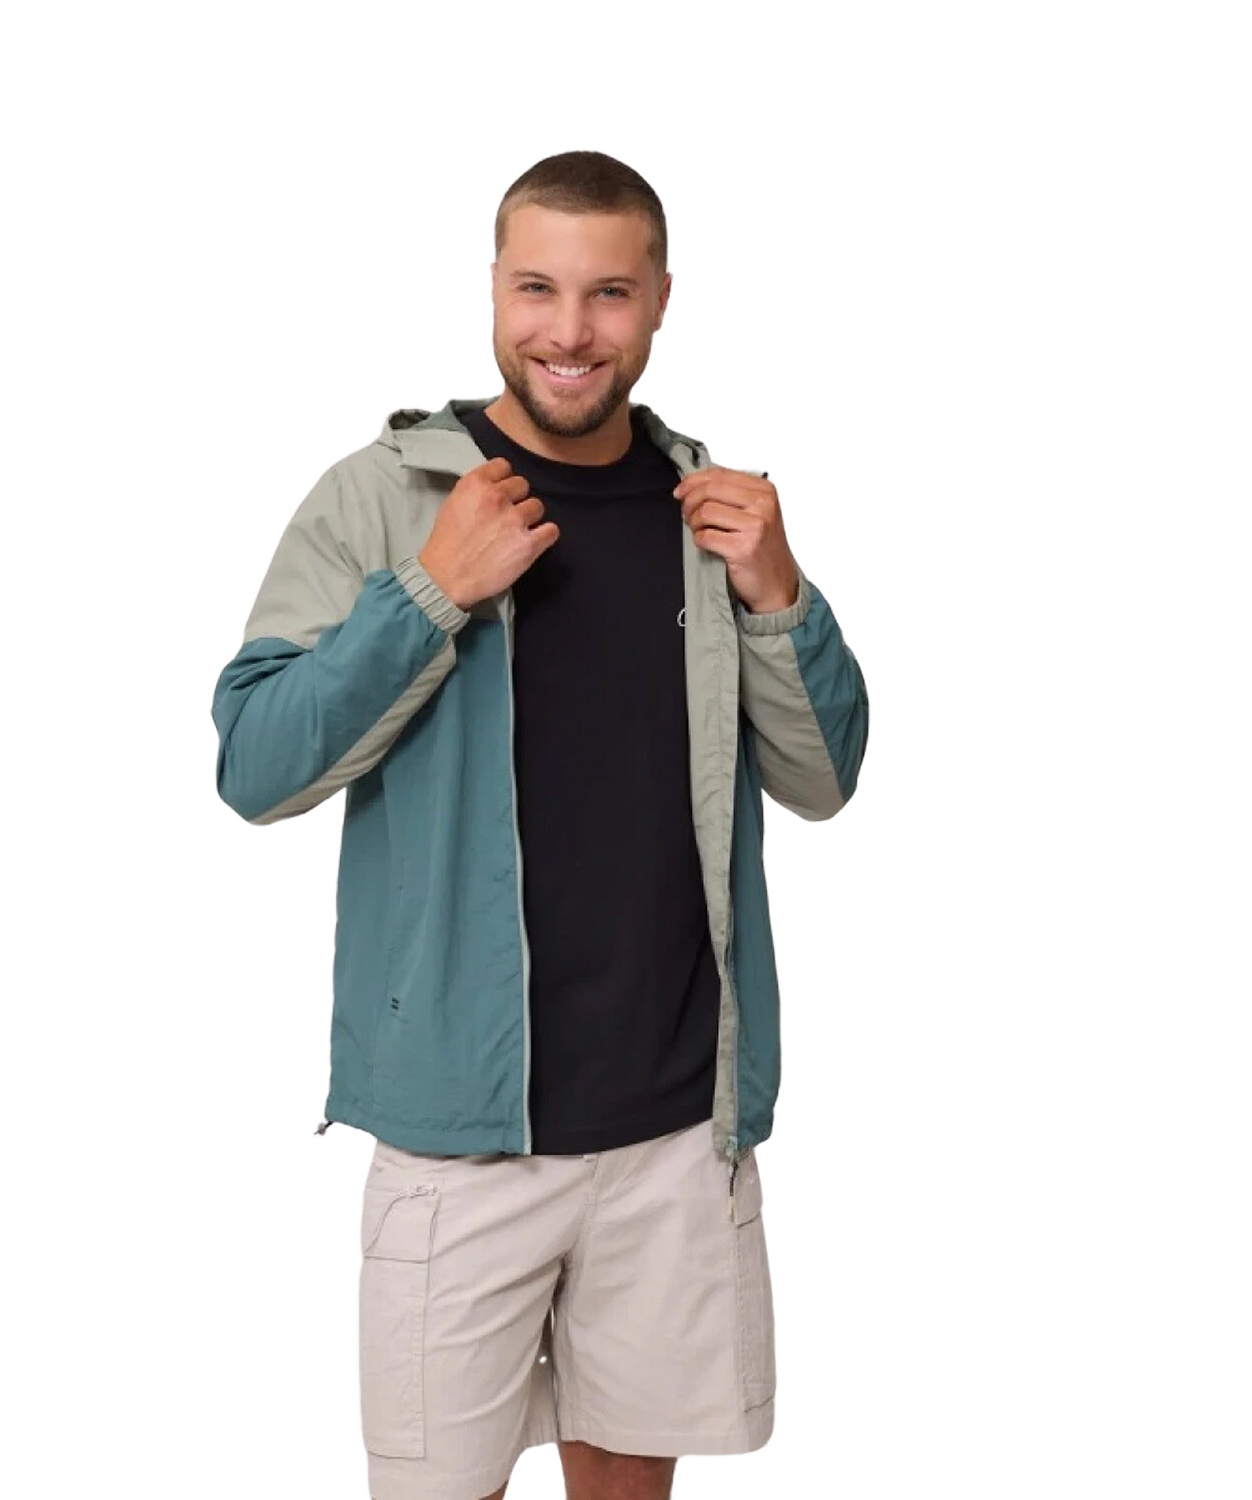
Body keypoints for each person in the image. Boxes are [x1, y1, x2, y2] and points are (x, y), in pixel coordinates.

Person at [211, 149, 868, 1500]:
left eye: (609, 293)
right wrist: (431, 591)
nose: (570, 331)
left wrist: (780, 594)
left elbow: (824, 777)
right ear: (494, 291)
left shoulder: (710, 517)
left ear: (661, 299)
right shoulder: (385, 496)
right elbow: (256, 766)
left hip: (676, 1132)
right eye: (537, 289)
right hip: (461, 1139)